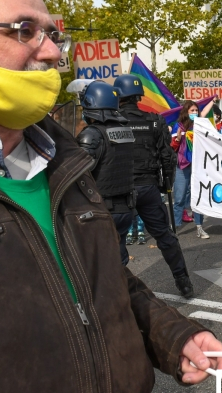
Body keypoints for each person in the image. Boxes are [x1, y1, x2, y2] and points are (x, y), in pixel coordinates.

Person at [0, 0, 222, 393]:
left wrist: (172, 334)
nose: (52, 52)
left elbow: (102, 279)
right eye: (24, 30)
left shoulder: (67, 156)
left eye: (54, 35)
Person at [114, 73, 195, 298]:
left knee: (116, 239)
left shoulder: (111, 121)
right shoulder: (154, 120)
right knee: (165, 236)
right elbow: (167, 157)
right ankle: (183, 281)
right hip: (148, 187)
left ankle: (121, 290)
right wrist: (165, 184)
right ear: (139, 95)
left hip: (119, 191)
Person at [76, 81, 137, 268]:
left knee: (99, 266)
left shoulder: (92, 135)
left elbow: (78, 173)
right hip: (125, 208)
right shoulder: (124, 130)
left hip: (102, 210)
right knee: (119, 261)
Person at [171, 100, 213, 238]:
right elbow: (172, 148)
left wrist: (212, 100)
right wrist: (177, 139)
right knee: (179, 198)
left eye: (196, 110)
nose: (195, 113)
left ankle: (199, 227)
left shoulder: (201, 125)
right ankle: (175, 228)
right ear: (186, 112)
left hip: (198, 166)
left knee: (198, 197)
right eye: (192, 111)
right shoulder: (179, 126)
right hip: (182, 166)